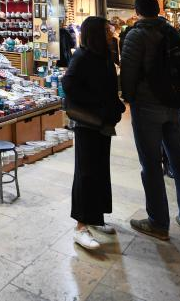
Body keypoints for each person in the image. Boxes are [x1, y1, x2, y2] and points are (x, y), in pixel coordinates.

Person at [119, 0, 180, 240]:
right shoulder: (171, 31)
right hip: (174, 106)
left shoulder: (136, 35)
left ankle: (158, 222)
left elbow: (129, 73)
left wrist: (128, 98)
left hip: (148, 107)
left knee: (151, 165)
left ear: (137, 11)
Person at [65, 16, 125, 251]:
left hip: (103, 122)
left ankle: (95, 217)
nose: (110, 33)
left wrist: (114, 106)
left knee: (100, 169)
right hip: (88, 123)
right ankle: (81, 226)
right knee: (86, 172)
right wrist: (96, 104)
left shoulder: (103, 55)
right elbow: (69, 86)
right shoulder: (81, 57)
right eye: (106, 30)